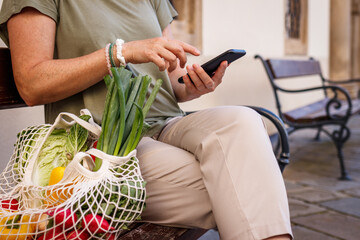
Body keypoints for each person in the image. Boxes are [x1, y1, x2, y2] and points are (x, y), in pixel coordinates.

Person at [0, 0, 293, 239]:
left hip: (169, 124)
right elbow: (32, 84)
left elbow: (172, 80)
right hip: (107, 146)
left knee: (242, 120)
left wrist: (193, 85)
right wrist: (119, 53)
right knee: (250, 181)